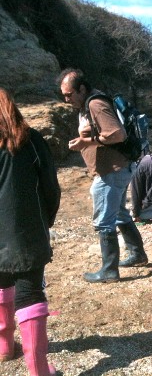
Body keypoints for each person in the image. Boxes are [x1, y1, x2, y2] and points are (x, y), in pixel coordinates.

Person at [58, 68, 148, 282]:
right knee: (119, 214)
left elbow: (117, 133)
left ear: (81, 89)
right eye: (63, 95)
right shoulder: (88, 103)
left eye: (69, 94)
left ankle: (109, 270)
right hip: (116, 169)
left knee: (104, 220)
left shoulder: (94, 104)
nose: (66, 99)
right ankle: (137, 254)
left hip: (112, 171)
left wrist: (86, 142)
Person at [0, 88, 60, 375]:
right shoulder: (31, 141)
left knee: (1, 286)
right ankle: (38, 371)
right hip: (25, 233)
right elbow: (51, 188)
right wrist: (44, 223)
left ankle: (3, 347)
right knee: (30, 293)